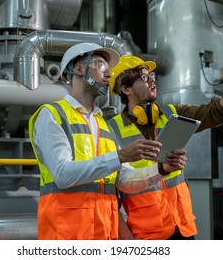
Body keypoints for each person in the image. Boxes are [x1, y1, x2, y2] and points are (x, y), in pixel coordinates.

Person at [28, 42, 187, 240]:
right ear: (79, 69)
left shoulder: (103, 124)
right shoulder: (52, 115)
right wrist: (120, 156)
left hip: (104, 235)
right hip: (67, 236)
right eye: (100, 65)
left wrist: (162, 169)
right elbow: (62, 174)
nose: (109, 74)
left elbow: (124, 181)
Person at [107, 46, 223, 240]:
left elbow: (218, 112)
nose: (152, 80)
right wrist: (127, 240)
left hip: (181, 229)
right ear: (126, 88)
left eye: (152, 75)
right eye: (144, 77)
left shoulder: (170, 114)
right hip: (146, 236)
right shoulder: (110, 131)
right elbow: (110, 196)